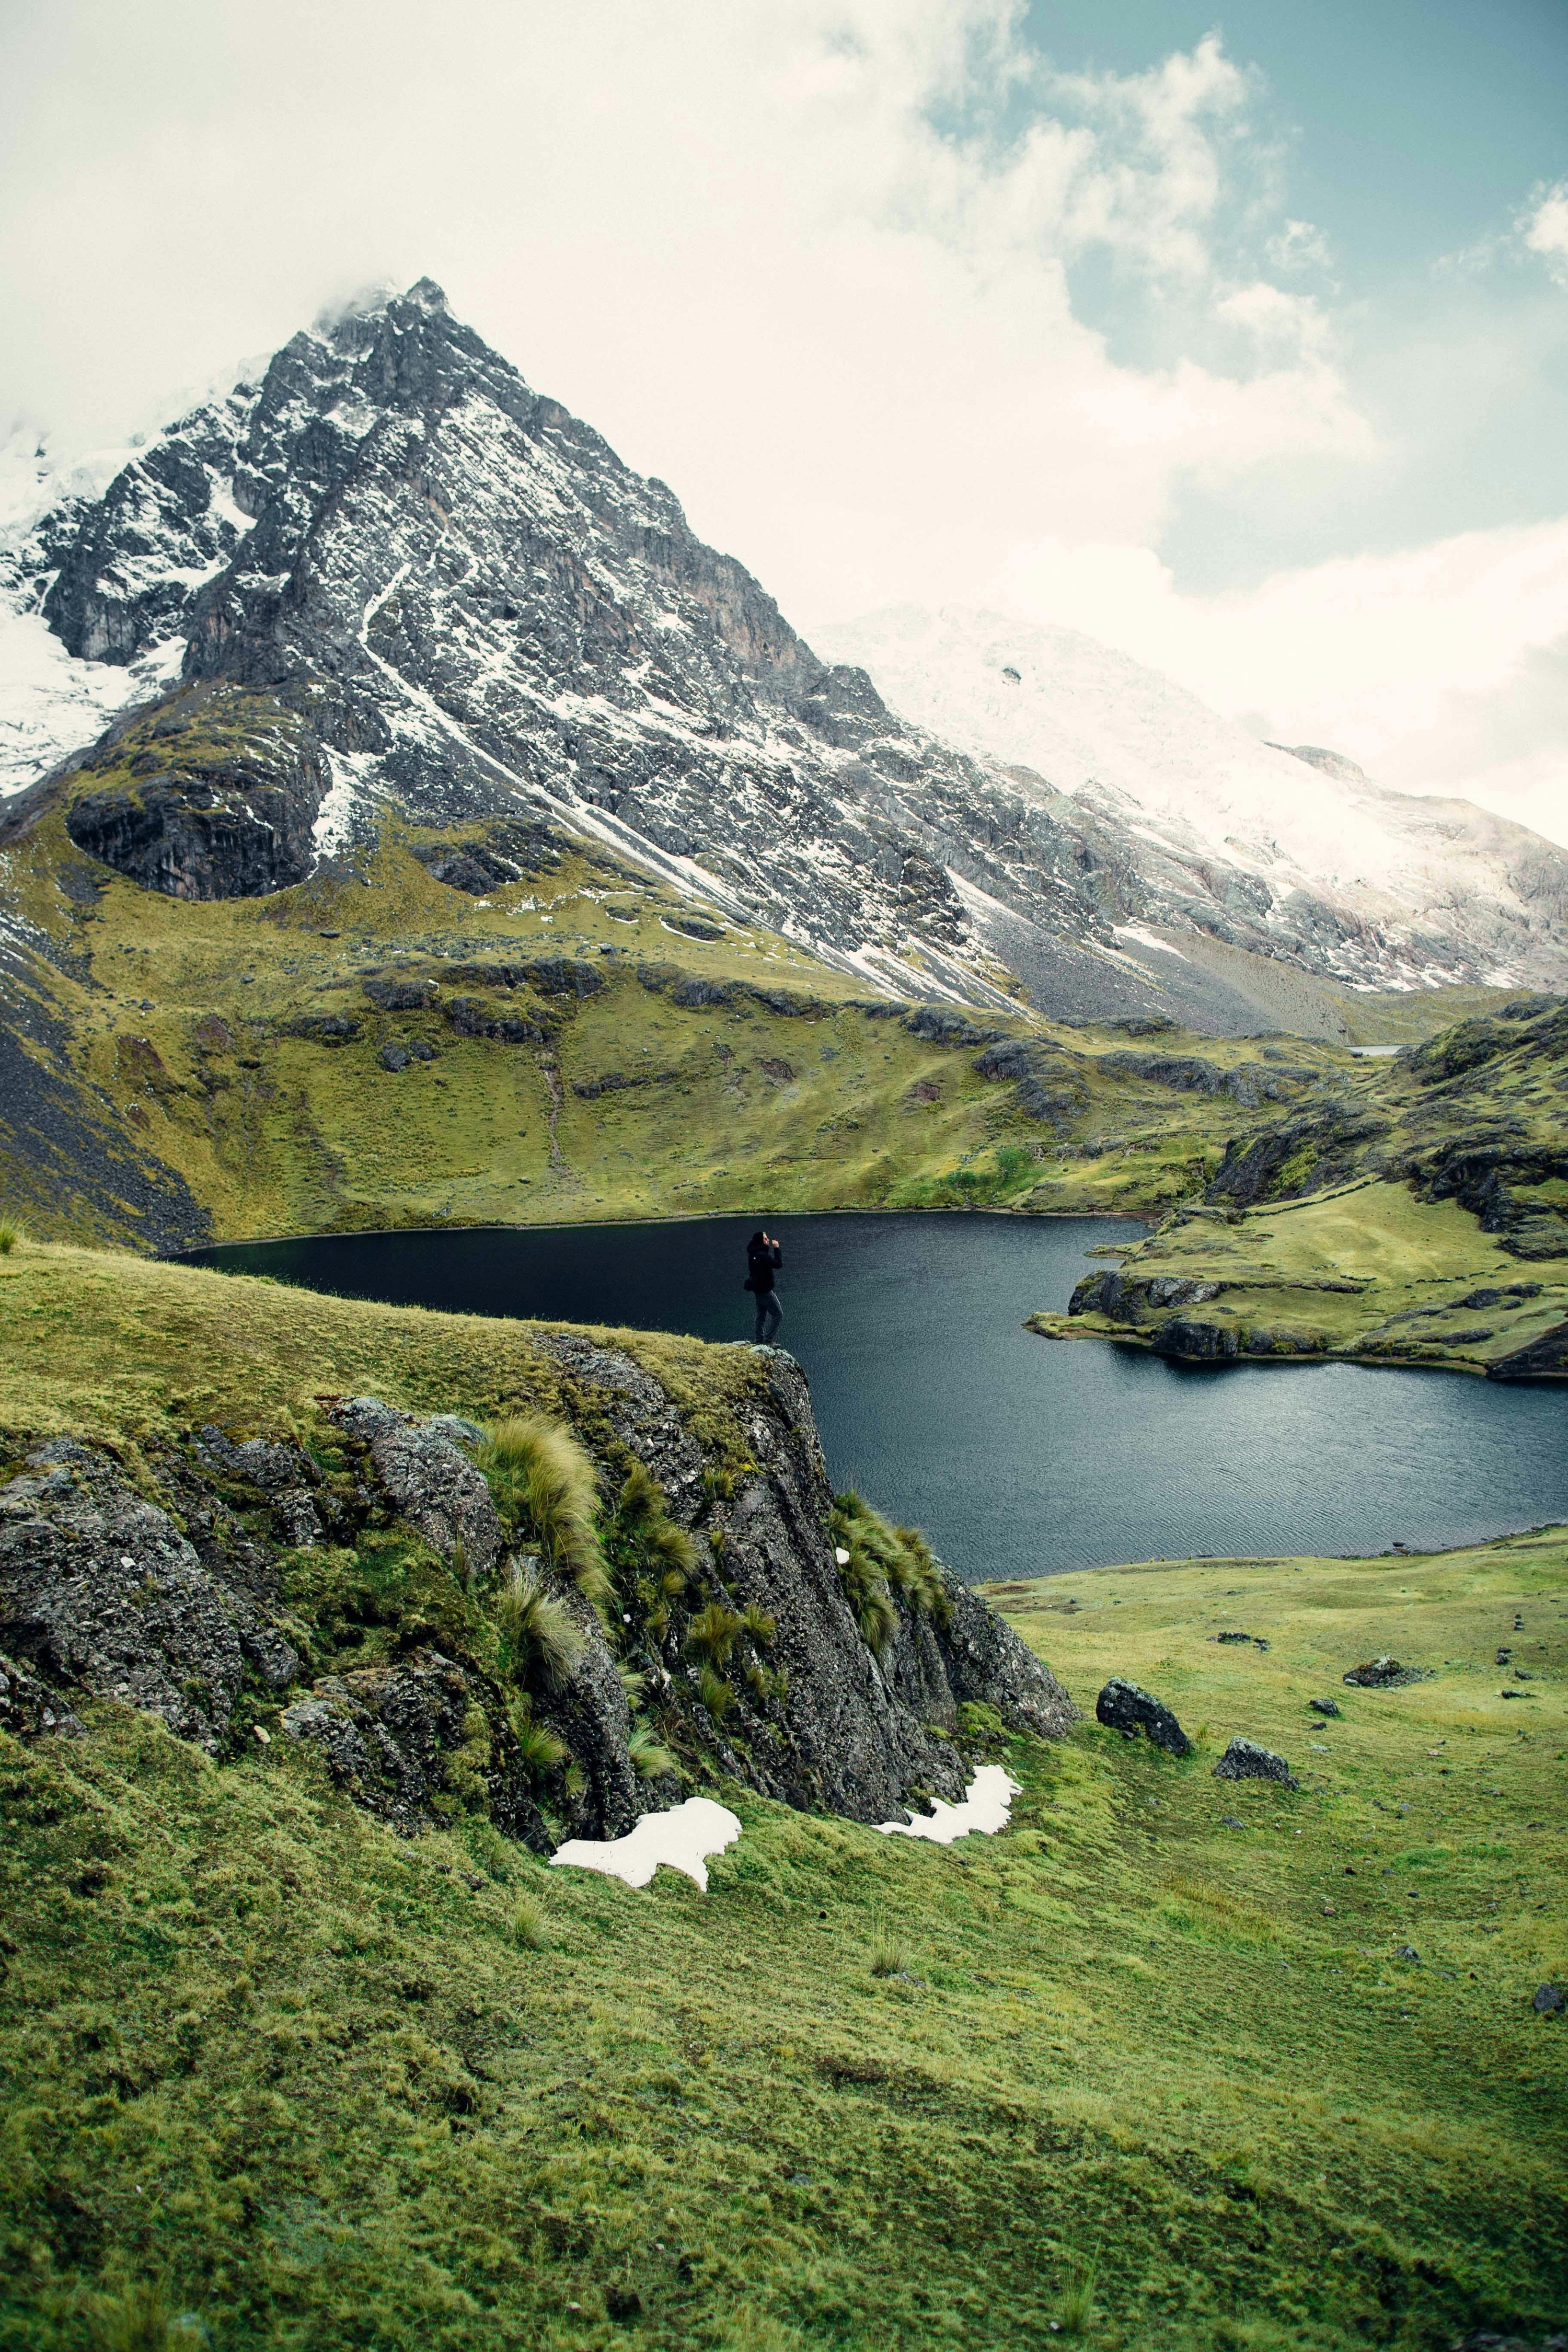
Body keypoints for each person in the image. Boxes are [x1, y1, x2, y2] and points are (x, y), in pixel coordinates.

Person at [744, 1228, 782, 1344]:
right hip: (765, 1290)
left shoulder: (753, 1253)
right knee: (778, 1314)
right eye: (766, 1238)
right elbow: (778, 1264)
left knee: (761, 1315)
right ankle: (768, 1341)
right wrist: (777, 1249)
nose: (768, 1240)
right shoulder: (762, 1255)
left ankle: (759, 1340)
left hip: (758, 1289)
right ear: (761, 1241)